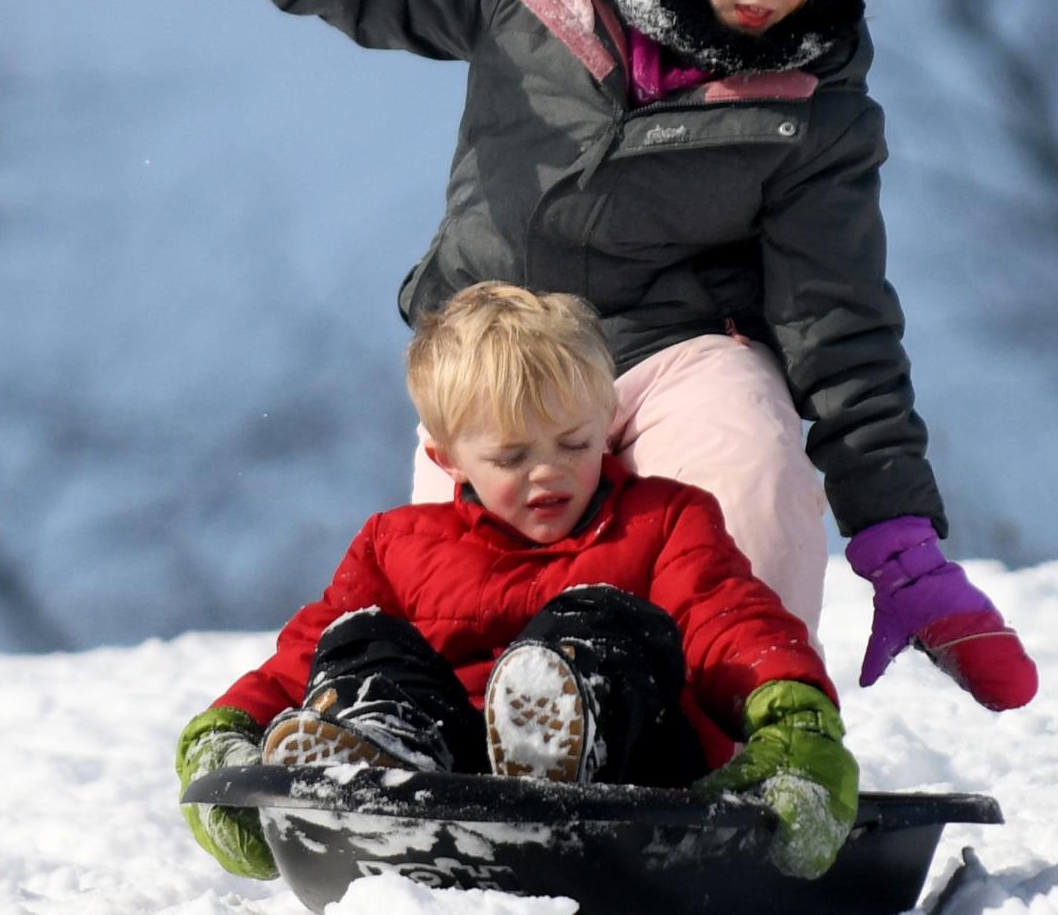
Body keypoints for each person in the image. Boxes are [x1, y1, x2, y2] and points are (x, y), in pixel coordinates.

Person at [4, 0, 1038, 711]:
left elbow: (836, 313)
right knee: (467, 584)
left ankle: (747, 734)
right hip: (503, 345)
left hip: (673, 351)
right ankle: (470, 740)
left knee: (748, 471)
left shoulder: (811, 100)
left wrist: (898, 532)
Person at [174, 282, 859, 884]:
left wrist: (791, 715)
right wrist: (226, 733)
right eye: (511, 455)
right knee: (361, 639)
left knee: (593, 618)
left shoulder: (664, 519)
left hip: (627, 772)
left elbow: (728, 621)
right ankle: (381, 756)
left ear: (604, 427)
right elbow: (304, 653)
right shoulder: (398, 544)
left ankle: (562, 735)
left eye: (574, 444)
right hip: (451, 782)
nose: (548, 473)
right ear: (449, 460)